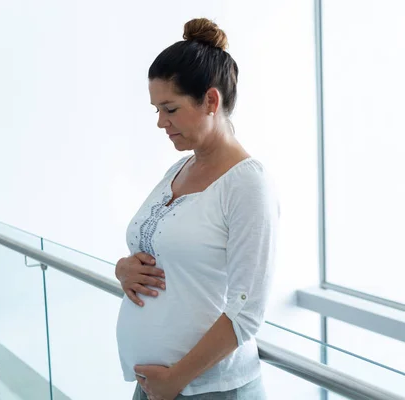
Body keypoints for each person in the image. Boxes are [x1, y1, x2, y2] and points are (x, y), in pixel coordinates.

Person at [114, 18, 279, 400]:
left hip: (210, 389)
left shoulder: (247, 184)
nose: (160, 122)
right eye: (156, 109)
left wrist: (177, 378)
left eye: (169, 109)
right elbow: (164, 254)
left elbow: (247, 310)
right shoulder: (180, 168)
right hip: (159, 386)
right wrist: (123, 270)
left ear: (210, 100)